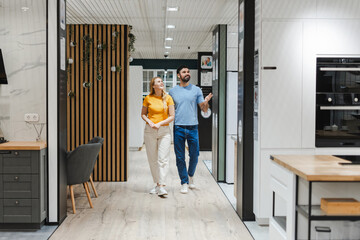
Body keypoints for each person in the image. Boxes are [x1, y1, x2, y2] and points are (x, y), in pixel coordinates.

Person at [169, 65, 213, 194]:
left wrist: (206, 102)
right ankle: (184, 182)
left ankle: (190, 176)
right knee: (180, 157)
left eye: (188, 71)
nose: (187, 73)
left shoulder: (196, 90)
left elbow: (203, 109)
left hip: (193, 127)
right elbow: (170, 109)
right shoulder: (172, 91)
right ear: (179, 75)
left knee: (195, 155)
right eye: (184, 72)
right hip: (178, 127)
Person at [141, 77, 175, 196]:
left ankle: (161, 185)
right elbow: (143, 114)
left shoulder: (168, 98)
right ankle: (156, 184)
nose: (161, 83)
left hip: (164, 131)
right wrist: (150, 122)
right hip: (149, 131)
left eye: (162, 81)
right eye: (158, 81)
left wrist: (159, 124)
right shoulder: (148, 98)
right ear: (153, 86)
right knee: (153, 159)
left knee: (163, 159)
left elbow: (172, 116)